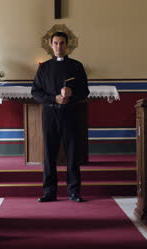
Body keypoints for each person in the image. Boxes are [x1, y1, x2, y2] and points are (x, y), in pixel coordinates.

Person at [31, 31, 89, 202]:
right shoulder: (44, 67)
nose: (59, 46)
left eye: (62, 43)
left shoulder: (77, 66)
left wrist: (71, 94)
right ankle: (49, 192)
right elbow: (35, 92)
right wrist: (53, 98)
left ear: (67, 45)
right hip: (50, 113)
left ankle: (74, 192)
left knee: (73, 153)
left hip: (71, 113)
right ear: (51, 45)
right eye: (55, 43)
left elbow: (85, 92)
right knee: (49, 153)